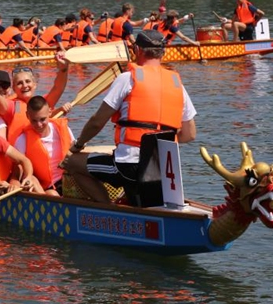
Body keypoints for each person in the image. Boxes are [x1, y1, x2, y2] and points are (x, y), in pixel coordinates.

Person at [62, 30, 197, 205]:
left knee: (71, 163)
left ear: (137, 50)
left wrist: (78, 145)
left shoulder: (127, 79)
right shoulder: (177, 83)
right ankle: (135, 203)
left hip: (129, 166)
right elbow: (190, 134)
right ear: (163, 52)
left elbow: (97, 122)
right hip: (163, 169)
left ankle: (109, 210)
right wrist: (156, 141)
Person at [0, 54, 69, 142]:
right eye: (19, 83)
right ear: (14, 88)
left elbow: (58, 88)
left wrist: (63, 69)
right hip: (19, 153)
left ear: (34, 85)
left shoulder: (43, 103)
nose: (24, 85)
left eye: (28, 81)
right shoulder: (10, 106)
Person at [11, 96, 74, 196]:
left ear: (50, 112)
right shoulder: (22, 139)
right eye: (34, 121)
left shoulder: (63, 129)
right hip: (42, 186)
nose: (39, 125)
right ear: (27, 116)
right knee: (50, 192)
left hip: (66, 181)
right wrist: (14, 182)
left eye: (42, 119)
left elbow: (75, 154)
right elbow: (17, 167)